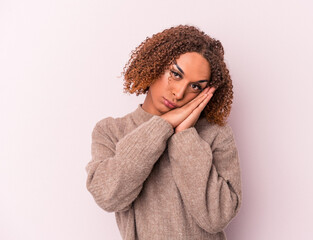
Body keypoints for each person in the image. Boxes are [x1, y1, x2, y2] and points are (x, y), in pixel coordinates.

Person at [85, 24, 243, 240]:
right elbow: (108, 196)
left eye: (195, 86)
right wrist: (162, 125)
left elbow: (216, 217)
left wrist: (184, 135)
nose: (179, 93)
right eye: (176, 74)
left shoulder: (216, 134)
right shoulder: (111, 131)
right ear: (155, 65)